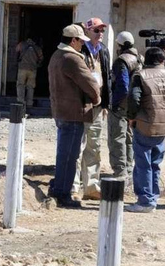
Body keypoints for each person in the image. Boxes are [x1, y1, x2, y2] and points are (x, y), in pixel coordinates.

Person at [47, 24, 101, 208]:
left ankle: (59, 187)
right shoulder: (73, 58)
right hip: (73, 113)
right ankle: (63, 193)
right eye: (80, 41)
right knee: (70, 156)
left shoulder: (56, 55)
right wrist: (97, 98)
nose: (82, 45)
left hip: (60, 111)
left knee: (64, 153)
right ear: (73, 40)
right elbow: (91, 84)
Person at [125, 47, 165, 213]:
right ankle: (153, 198)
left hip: (144, 123)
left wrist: (131, 117)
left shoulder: (141, 75)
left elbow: (134, 98)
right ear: (163, 60)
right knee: (155, 164)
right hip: (164, 125)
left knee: (143, 164)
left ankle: (145, 200)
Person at [73, 17, 111, 200]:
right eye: (96, 30)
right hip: (81, 104)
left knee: (94, 146)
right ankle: (73, 186)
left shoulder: (103, 50)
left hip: (97, 105)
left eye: (102, 31)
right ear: (87, 31)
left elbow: (107, 77)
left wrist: (105, 103)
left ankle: (91, 187)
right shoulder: (79, 50)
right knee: (77, 146)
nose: (100, 34)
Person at [108, 31, 143, 179]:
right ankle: (128, 168)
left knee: (117, 137)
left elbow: (122, 85)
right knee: (129, 137)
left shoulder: (122, 60)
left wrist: (114, 104)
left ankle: (120, 170)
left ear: (119, 45)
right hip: (134, 105)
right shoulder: (140, 58)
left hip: (121, 105)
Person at [15, 37, 44, 109]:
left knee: (20, 85)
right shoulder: (37, 48)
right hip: (32, 69)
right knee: (30, 87)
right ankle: (29, 103)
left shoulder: (21, 44)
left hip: (22, 68)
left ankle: (21, 102)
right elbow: (41, 58)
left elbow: (16, 50)